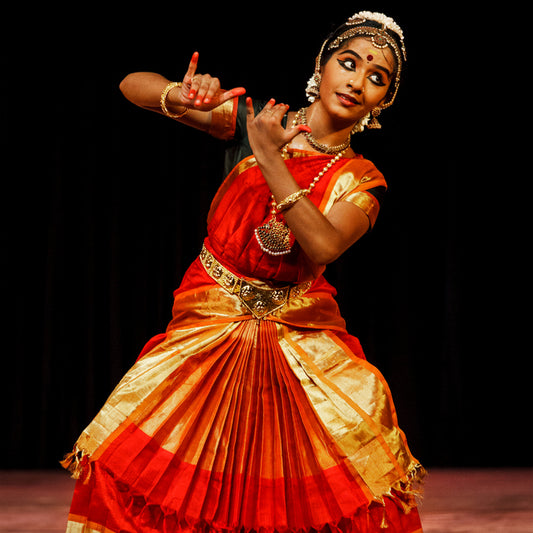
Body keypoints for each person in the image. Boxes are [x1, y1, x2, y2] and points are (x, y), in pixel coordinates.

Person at [62, 11, 425, 533]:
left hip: (295, 337)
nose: (357, 81)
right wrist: (180, 98)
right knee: (147, 465)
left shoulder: (362, 180)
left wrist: (272, 157)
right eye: (348, 63)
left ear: (382, 101)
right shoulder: (255, 119)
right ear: (321, 66)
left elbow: (321, 243)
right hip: (210, 318)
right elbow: (130, 85)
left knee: (308, 483)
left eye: (376, 77)